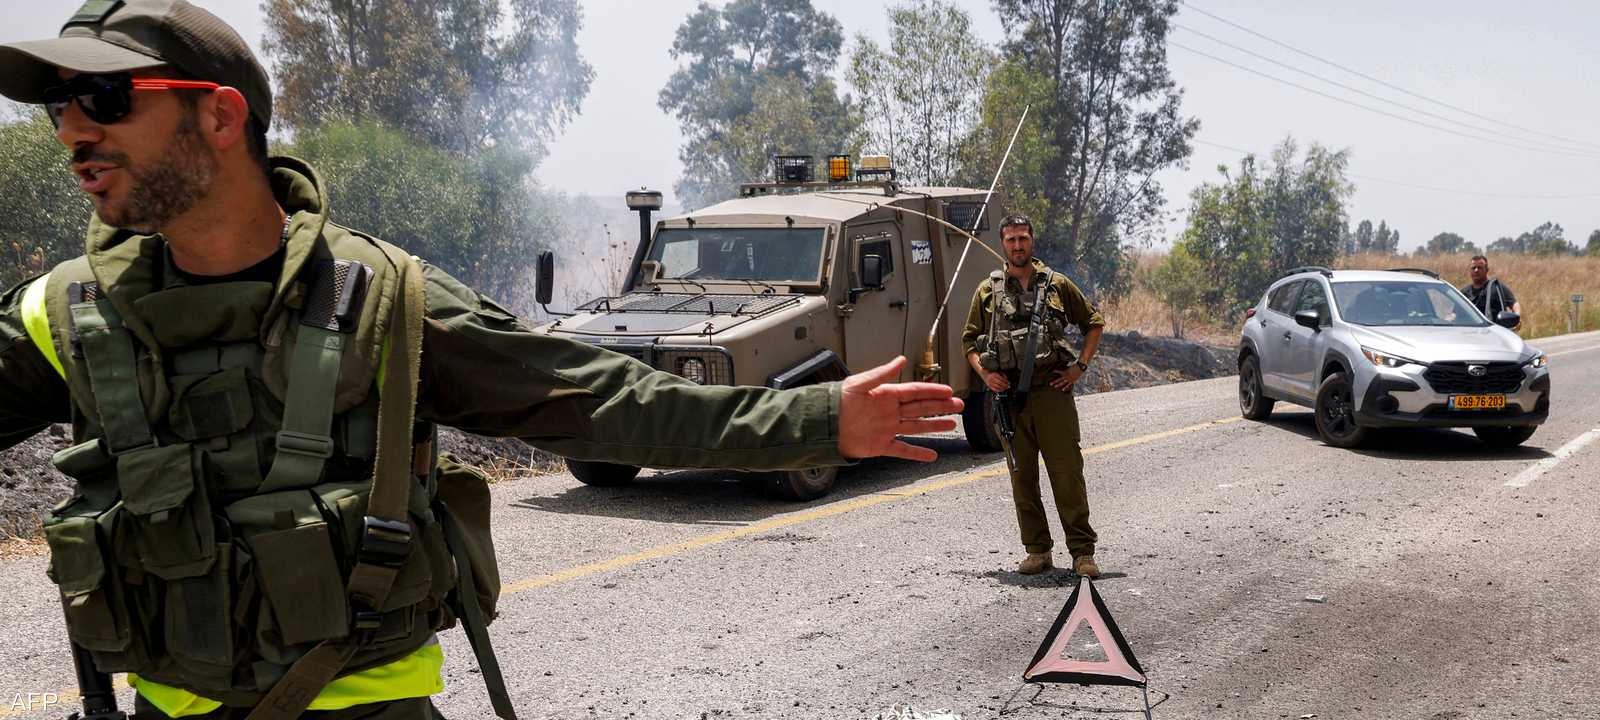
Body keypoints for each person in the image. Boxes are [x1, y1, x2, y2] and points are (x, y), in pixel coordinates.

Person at [0, 2, 961, 718]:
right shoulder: (68, 311)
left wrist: (811, 420)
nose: (73, 132)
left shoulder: (386, 301)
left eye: (104, 99)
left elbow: (595, 399)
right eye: (56, 109)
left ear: (218, 117)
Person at [961, 214, 1105, 578]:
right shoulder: (986, 291)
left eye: (1023, 238)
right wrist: (986, 374)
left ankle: (1082, 552)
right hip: (1009, 400)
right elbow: (968, 342)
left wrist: (1080, 368)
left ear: (1032, 241)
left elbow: (1094, 323)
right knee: (1022, 479)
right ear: (1002, 244)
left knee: (1066, 475)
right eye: (1011, 240)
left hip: (1052, 394)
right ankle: (1038, 550)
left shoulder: (1056, 285)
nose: (1018, 246)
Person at [1459, 254, 1522, 330]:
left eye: (1479, 268)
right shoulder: (1463, 293)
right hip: (1470, 334)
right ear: (1470, 270)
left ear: (1487, 270)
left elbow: (1514, 304)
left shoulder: (1496, 287)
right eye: (1473, 268)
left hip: (1495, 332)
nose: (1476, 270)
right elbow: (1454, 314)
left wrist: (1517, 319)